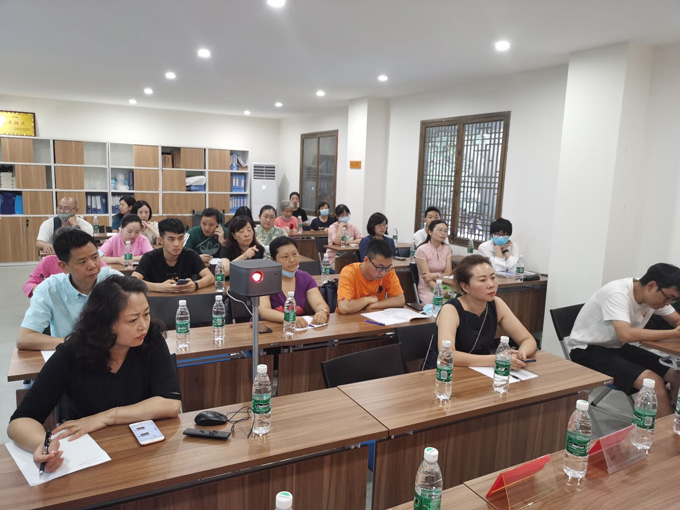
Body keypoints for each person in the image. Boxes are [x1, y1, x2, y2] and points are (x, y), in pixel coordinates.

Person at [8, 276, 181, 473]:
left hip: (143, 452)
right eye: (133, 320)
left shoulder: (150, 340)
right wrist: (43, 445)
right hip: (89, 458)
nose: (143, 325)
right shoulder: (72, 353)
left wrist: (107, 417)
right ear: (105, 322)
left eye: (146, 314)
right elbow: (21, 420)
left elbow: (170, 403)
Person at [567, 263, 680, 417]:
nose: (667, 303)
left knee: (676, 374)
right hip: (587, 350)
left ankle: (673, 417)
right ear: (651, 286)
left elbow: (676, 320)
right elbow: (626, 334)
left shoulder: (655, 295)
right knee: (653, 383)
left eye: (672, 300)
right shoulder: (618, 293)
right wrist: (673, 334)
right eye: (668, 298)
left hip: (616, 347)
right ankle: (667, 430)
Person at [17, 228, 122, 351]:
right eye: (82, 262)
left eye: (95, 257)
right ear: (64, 267)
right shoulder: (49, 289)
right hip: (71, 354)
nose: (92, 266)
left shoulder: (113, 280)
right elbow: (24, 338)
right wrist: (74, 342)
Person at [429, 255, 537, 368]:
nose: (491, 285)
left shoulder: (497, 304)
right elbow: (447, 355)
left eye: (493, 277)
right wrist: (497, 359)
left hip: (481, 370)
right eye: (482, 280)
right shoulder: (451, 309)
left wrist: (521, 354)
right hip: (443, 372)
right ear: (465, 287)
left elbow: (528, 339)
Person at [258, 237, 330, 327]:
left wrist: (322, 312)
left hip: (296, 330)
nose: (292, 260)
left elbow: (319, 303)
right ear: (273, 260)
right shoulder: (265, 280)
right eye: (285, 256)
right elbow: (264, 311)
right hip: (267, 329)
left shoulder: (305, 278)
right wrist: (290, 318)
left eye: (295, 254)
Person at [132, 218, 214, 293]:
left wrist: (195, 285)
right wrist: (159, 287)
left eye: (180, 238)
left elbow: (210, 277)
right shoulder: (149, 257)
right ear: (161, 240)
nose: (176, 244)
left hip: (184, 300)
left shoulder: (191, 255)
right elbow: (133, 280)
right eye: (171, 239)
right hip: (157, 301)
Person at [337, 239, 405, 314]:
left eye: (388, 267)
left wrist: (373, 305)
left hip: (373, 315)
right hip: (348, 318)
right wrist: (367, 300)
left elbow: (400, 300)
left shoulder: (388, 270)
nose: (383, 273)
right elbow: (344, 307)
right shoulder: (349, 272)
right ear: (366, 260)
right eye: (379, 267)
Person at [415, 219, 455, 304]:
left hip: (445, 284)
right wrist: (441, 291)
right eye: (440, 230)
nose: (443, 233)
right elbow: (427, 278)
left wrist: (435, 275)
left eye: (445, 231)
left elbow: (448, 273)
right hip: (428, 287)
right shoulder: (422, 250)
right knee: (441, 302)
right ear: (430, 232)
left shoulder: (447, 249)